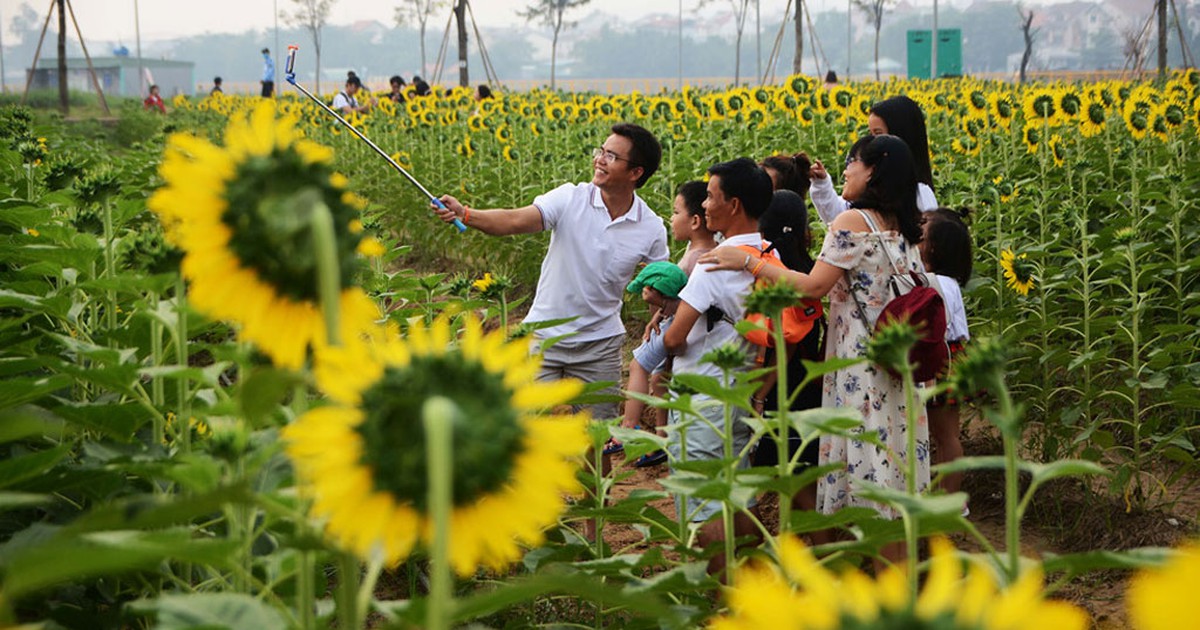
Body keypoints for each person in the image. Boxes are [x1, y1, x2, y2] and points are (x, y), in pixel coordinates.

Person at [699, 135, 931, 566]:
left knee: (870, 487)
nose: (845, 170)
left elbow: (813, 287)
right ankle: (897, 588)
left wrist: (748, 262)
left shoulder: (853, 223)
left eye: (852, 162)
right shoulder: (902, 224)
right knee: (890, 486)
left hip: (860, 368)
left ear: (874, 170)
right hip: (897, 366)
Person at [432, 123, 668, 497]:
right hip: (543, 337)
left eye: (611, 156)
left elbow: (659, 283)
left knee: (596, 443)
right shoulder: (570, 198)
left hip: (600, 346)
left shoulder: (652, 228)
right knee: (526, 433)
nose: (599, 159)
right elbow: (513, 221)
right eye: (601, 151)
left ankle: (596, 530)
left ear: (635, 172)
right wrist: (468, 213)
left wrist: (660, 305)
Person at [662, 157, 773, 579]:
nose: (704, 206)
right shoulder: (767, 255)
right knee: (738, 493)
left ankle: (721, 596)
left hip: (703, 393)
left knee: (705, 499)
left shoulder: (713, 263)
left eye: (710, 196)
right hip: (743, 389)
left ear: (734, 204)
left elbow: (675, 337)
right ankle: (753, 590)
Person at [609, 181, 716, 468]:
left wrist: (657, 300)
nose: (671, 218)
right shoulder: (699, 250)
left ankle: (628, 427)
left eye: (675, 211)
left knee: (638, 366)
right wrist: (656, 316)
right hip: (669, 321)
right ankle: (662, 438)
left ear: (694, 220)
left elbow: (689, 303)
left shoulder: (698, 258)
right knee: (659, 378)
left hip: (679, 326)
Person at [747, 189, 826, 514]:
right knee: (798, 477)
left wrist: (759, 395)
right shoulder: (807, 269)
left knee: (793, 482)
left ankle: (819, 552)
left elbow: (785, 342)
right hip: (806, 385)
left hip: (783, 387)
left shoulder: (774, 274)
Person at [809, 95, 937, 223]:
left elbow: (927, 236)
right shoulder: (869, 186)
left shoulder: (919, 194)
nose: (872, 143)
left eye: (879, 134)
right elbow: (838, 215)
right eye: (871, 134)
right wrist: (822, 185)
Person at [919, 207, 973, 507]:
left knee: (946, 435)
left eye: (922, 231)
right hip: (948, 356)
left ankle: (952, 501)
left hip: (943, 358)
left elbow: (937, 330)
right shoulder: (941, 280)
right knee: (942, 434)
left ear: (934, 246)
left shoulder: (938, 283)